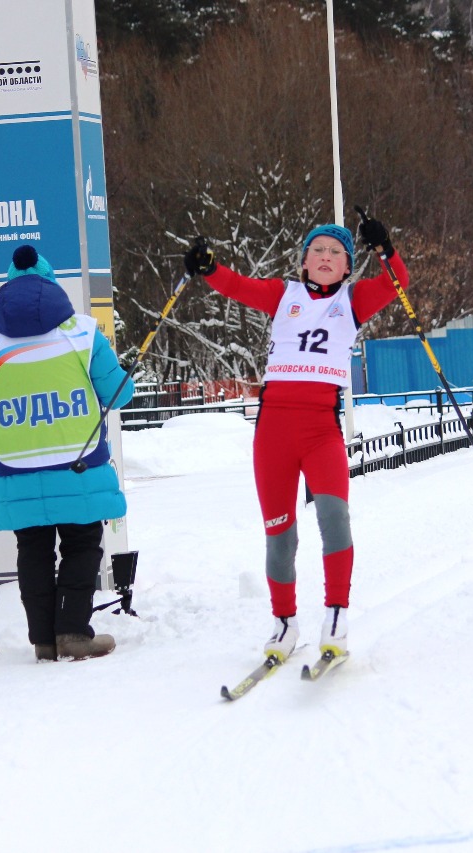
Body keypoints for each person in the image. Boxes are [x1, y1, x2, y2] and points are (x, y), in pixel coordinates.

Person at [182, 215, 408, 662]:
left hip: (320, 428)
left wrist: (385, 246)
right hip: (273, 432)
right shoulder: (283, 294)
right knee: (279, 535)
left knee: (333, 516)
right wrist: (207, 267)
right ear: (303, 261)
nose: (326, 257)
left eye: (336, 253)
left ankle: (337, 613)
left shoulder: (353, 299)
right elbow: (235, 285)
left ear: (347, 268)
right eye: (318, 250)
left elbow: (397, 281)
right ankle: (284, 621)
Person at [0, 246, 134, 662]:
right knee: (82, 545)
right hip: (78, 465)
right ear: (51, 284)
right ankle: (73, 631)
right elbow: (119, 394)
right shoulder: (82, 332)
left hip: (14, 471)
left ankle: (44, 639)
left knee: (32, 550)